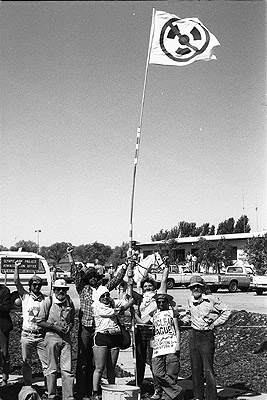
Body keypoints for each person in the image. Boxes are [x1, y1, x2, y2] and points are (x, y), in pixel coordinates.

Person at [67, 246, 128, 400]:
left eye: (95, 276)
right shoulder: (82, 288)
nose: (93, 278)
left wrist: (125, 266)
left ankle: (97, 390)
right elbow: (75, 274)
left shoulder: (103, 289)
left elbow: (116, 279)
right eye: (90, 276)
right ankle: (82, 390)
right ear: (87, 279)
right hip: (86, 327)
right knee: (83, 359)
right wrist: (70, 256)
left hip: (100, 329)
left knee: (97, 363)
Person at [182, 276, 231, 400]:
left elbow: (226, 311)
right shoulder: (190, 299)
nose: (196, 289)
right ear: (190, 289)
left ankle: (211, 397)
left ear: (202, 287)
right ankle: (198, 396)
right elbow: (189, 313)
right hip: (194, 335)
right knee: (195, 368)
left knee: (208, 369)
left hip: (206, 336)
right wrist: (185, 318)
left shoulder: (211, 299)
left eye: (198, 286)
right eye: (193, 287)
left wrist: (215, 323)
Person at [133, 257, 169, 399]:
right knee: (140, 360)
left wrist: (166, 267)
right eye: (145, 286)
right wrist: (130, 267)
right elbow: (128, 288)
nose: (148, 288)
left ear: (154, 286)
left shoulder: (158, 296)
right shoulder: (140, 298)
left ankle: (157, 389)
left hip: (154, 332)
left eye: (150, 286)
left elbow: (165, 281)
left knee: (155, 360)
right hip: (140, 332)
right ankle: (139, 386)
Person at [92, 285, 134, 400]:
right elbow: (115, 312)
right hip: (102, 337)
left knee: (111, 367)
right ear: (98, 297)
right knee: (99, 367)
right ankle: (95, 391)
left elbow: (123, 301)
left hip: (114, 337)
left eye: (107, 295)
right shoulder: (97, 306)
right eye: (103, 296)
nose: (105, 297)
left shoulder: (111, 303)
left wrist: (129, 289)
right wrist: (128, 304)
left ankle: (112, 389)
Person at [36, 279, 75, 400]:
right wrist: (54, 327)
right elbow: (39, 321)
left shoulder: (69, 301)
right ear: (54, 290)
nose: (61, 291)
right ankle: (51, 395)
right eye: (58, 289)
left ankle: (68, 396)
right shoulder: (48, 301)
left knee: (67, 370)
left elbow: (73, 319)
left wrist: (69, 327)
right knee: (52, 369)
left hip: (66, 338)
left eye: (63, 289)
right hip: (51, 337)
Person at [14, 260, 48, 388]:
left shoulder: (45, 299)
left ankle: (47, 388)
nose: (36, 287)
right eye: (34, 285)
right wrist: (16, 267)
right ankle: (28, 387)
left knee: (46, 363)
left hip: (40, 336)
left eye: (39, 285)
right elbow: (17, 283)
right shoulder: (25, 297)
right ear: (30, 286)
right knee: (27, 363)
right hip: (27, 335)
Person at [151, 292, 184, 400]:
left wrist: (178, 343)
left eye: (163, 302)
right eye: (158, 302)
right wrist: (133, 311)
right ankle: (177, 391)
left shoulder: (172, 313)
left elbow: (177, 330)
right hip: (158, 347)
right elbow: (143, 322)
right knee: (157, 372)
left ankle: (167, 397)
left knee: (171, 372)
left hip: (171, 345)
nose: (161, 304)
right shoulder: (154, 314)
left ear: (167, 303)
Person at [0, 282, 13, 386]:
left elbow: (6, 308)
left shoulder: (5, 290)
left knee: (4, 353)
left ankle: (5, 378)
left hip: (2, 326)